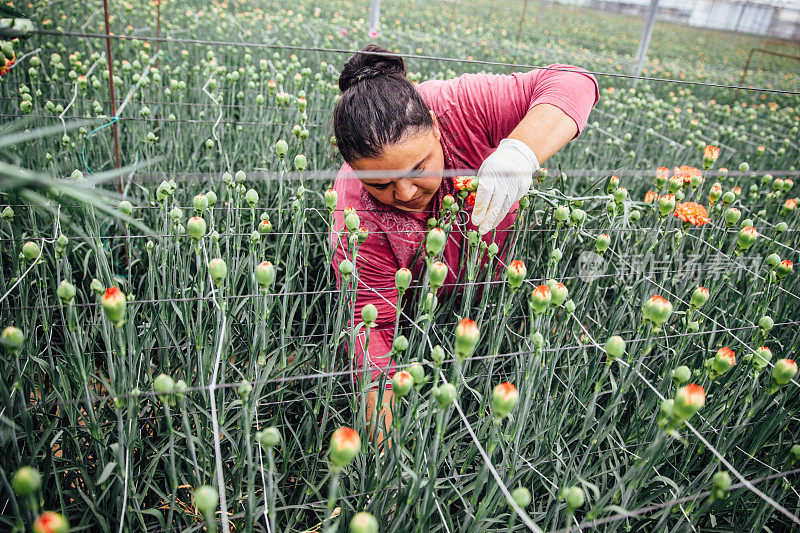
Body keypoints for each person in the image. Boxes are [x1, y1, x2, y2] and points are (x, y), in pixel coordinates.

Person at [330, 44, 599, 445]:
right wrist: (383, 448)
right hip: (422, 319)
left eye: (419, 168)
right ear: (353, 167)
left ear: (437, 127)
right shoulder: (355, 212)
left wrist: (519, 152)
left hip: (498, 293)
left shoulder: (458, 107)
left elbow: (574, 82)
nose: (405, 193)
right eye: (381, 183)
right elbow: (371, 329)